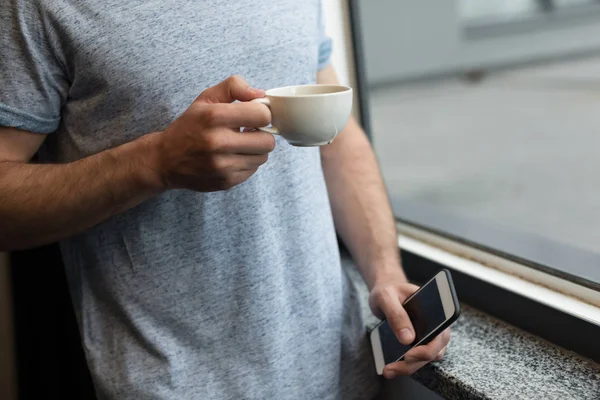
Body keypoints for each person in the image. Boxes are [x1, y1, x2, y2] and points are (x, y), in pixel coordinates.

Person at [0, 1, 450, 399]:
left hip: (343, 372)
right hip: (175, 384)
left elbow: (335, 137)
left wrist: (385, 273)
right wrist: (154, 163)